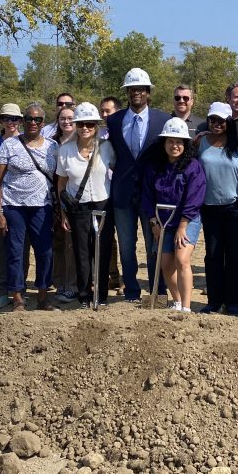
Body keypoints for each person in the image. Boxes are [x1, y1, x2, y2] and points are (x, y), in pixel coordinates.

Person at [106, 68, 172, 302]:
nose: (137, 92)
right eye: (132, 89)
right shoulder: (114, 121)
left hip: (152, 194)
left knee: (154, 244)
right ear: (127, 91)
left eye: (141, 89)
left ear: (148, 92)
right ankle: (131, 291)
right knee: (126, 246)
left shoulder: (163, 120)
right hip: (123, 193)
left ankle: (157, 290)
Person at [0, 103, 56, 312]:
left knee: (45, 252)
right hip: (14, 206)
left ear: (43, 123)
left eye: (37, 119)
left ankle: (43, 296)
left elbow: (59, 179)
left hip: (42, 207)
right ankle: (18, 297)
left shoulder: (52, 146)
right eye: (29, 119)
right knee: (15, 252)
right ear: (23, 121)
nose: (33, 123)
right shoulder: (9, 145)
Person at [143, 118, 207, 312]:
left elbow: (195, 198)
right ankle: (177, 302)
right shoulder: (155, 166)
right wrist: (153, 222)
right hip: (163, 221)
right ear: (164, 143)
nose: (174, 146)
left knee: (181, 260)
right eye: (170, 141)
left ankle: (186, 307)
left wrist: (182, 226)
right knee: (165, 264)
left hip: (186, 220)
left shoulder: (192, 166)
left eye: (179, 142)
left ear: (185, 144)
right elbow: (147, 195)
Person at [57, 102, 116, 308]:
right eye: (81, 124)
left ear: (96, 125)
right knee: (81, 252)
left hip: (103, 205)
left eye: (89, 124)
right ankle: (84, 295)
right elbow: (61, 184)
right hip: (78, 207)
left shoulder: (106, 147)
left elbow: (117, 170)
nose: (85, 128)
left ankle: (101, 295)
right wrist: (63, 212)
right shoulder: (65, 150)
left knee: (102, 250)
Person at [197, 102, 238, 315]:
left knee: (234, 256)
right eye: (212, 120)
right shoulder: (200, 142)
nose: (216, 124)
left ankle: (232, 303)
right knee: (213, 255)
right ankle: (214, 301)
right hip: (209, 207)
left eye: (221, 121)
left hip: (234, 207)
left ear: (229, 122)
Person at [0, 104, 24, 309]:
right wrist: (0, 184)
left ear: (20, 121)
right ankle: (0, 292)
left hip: (20, 202)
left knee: (20, 247)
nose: (11, 122)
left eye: (14, 118)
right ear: (0, 121)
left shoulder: (27, 142)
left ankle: (19, 290)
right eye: (6, 118)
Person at [50, 103, 79, 303]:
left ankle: (72, 285)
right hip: (51, 197)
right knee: (56, 243)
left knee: (71, 244)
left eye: (70, 118)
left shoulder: (82, 142)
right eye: (63, 118)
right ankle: (58, 282)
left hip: (72, 199)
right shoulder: (51, 143)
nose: (66, 122)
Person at [98, 96, 123, 289]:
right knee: (106, 235)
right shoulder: (98, 135)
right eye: (102, 111)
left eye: (109, 111)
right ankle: (111, 274)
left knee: (124, 237)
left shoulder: (124, 132)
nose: (105, 115)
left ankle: (122, 277)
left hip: (121, 189)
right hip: (102, 191)